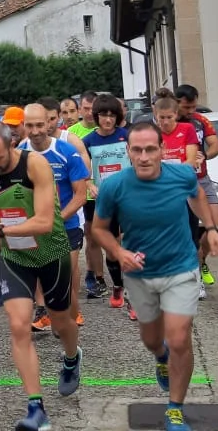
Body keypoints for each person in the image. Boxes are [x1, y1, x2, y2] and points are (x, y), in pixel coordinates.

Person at [89, 122, 218, 431]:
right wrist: (119, 251)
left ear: (162, 150)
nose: (144, 157)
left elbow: (196, 195)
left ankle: (175, 408)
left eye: (150, 149)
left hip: (181, 267)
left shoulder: (182, 175)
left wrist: (211, 228)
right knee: (152, 340)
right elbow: (98, 229)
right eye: (137, 150)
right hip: (140, 273)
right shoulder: (114, 186)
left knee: (179, 338)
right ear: (128, 152)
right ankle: (161, 357)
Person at [0, 122, 82, 431]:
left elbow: (45, 221)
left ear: (12, 144)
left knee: (61, 322)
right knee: (19, 326)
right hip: (15, 257)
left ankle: (72, 357)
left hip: (51, 252)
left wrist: (0, 230)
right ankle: (36, 408)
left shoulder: (35, 165)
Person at [19, 103, 90, 331]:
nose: (35, 131)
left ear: (50, 122)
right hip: (35, 226)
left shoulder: (67, 151)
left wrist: (56, 220)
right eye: (30, 126)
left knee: (64, 272)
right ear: (23, 125)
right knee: (40, 272)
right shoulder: (18, 153)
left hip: (66, 224)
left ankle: (70, 313)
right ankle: (45, 312)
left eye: (40, 124)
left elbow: (81, 195)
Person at [82, 95, 134, 319]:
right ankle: (118, 285)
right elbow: (83, 171)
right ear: (96, 117)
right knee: (112, 247)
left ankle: (134, 294)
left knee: (132, 242)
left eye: (112, 115)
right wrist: (89, 184)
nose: (108, 120)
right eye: (104, 115)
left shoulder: (127, 136)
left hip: (129, 197)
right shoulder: (88, 141)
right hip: (104, 199)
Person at [152, 98, 209, 302]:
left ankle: (196, 280)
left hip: (184, 192)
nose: (165, 122)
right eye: (161, 118)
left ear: (176, 115)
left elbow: (191, 160)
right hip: (160, 195)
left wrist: (168, 170)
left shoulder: (187, 129)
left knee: (190, 237)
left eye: (169, 117)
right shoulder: (153, 133)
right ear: (155, 116)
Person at [174, 85, 218, 289]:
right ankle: (192, 274)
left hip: (202, 179)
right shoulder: (169, 123)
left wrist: (205, 155)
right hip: (179, 183)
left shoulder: (200, 120)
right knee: (186, 231)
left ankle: (201, 259)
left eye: (194, 106)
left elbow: (216, 146)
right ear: (176, 102)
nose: (191, 111)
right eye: (187, 107)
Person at [68, 92, 108, 299]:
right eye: (85, 108)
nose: (90, 112)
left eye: (93, 109)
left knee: (115, 236)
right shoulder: (72, 133)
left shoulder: (106, 128)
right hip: (87, 193)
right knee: (91, 237)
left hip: (108, 190)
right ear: (79, 109)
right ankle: (94, 275)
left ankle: (119, 276)